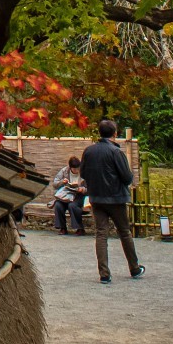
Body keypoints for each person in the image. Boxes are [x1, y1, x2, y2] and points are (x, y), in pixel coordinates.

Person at [79, 119, 143, 283]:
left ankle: (104, 273)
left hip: (96, 198)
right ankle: (134, 267)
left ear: (99, 132)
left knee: (101, 234)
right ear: (115, 133)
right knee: (124, 232)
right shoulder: (116, 152)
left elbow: (83, 174)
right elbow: (127, 177)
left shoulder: (89, 151)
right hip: (116, 198)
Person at [49, 156, 87, 235]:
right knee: (58, 205)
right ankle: (62, 228)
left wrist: (82, 189)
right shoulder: (64, 171)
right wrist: (62, 182)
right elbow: (55, 184)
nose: (76, 170)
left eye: (78, 168)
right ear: (70, 168)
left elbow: (90, 187)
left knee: (72, 205)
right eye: (74, 169)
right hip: (67, 195)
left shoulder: (84, 172)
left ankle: (79, 228)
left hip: (79, 196)